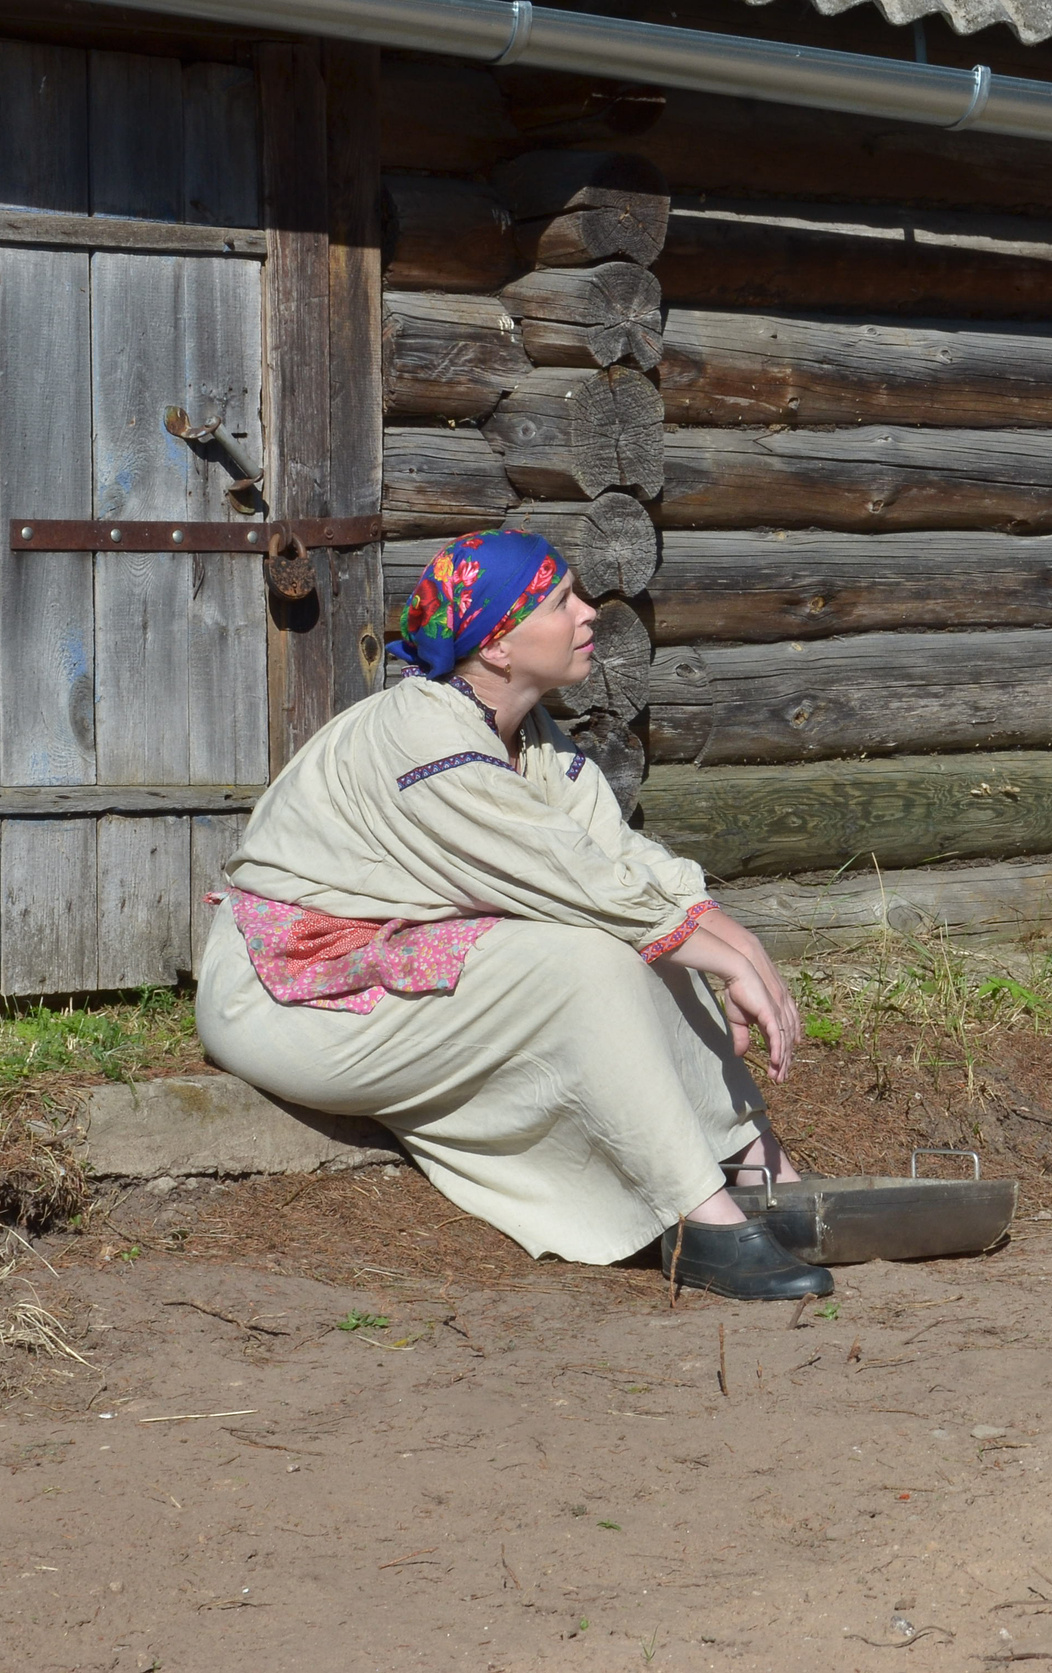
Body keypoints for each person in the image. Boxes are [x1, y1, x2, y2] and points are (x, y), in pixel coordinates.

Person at [194, 529, 832, 1302]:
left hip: (391, 960)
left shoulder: (529, 738)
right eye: (561, 599)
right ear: (497, 644)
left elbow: (617, 859)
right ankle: (698, 1218)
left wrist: (736, 939)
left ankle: (762, 1170)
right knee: (594, 960)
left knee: (657, 937)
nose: (590, 613)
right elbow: (574, 883)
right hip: (288, 993)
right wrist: (726, 957)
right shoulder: (420, 732)